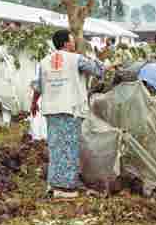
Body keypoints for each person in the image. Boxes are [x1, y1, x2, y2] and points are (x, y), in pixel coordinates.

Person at [30, 30, 104, 198]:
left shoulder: (44, 61)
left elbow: (38, 86)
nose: (74, 43)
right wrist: (95, 58)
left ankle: (55, 183)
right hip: (71, 108)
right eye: (72, 41)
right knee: (70, 147)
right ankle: (66, 188)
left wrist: (34, 103)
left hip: (51, 109)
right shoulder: (76, 59)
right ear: (65, 43)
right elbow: (98, 71)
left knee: (56, 147)